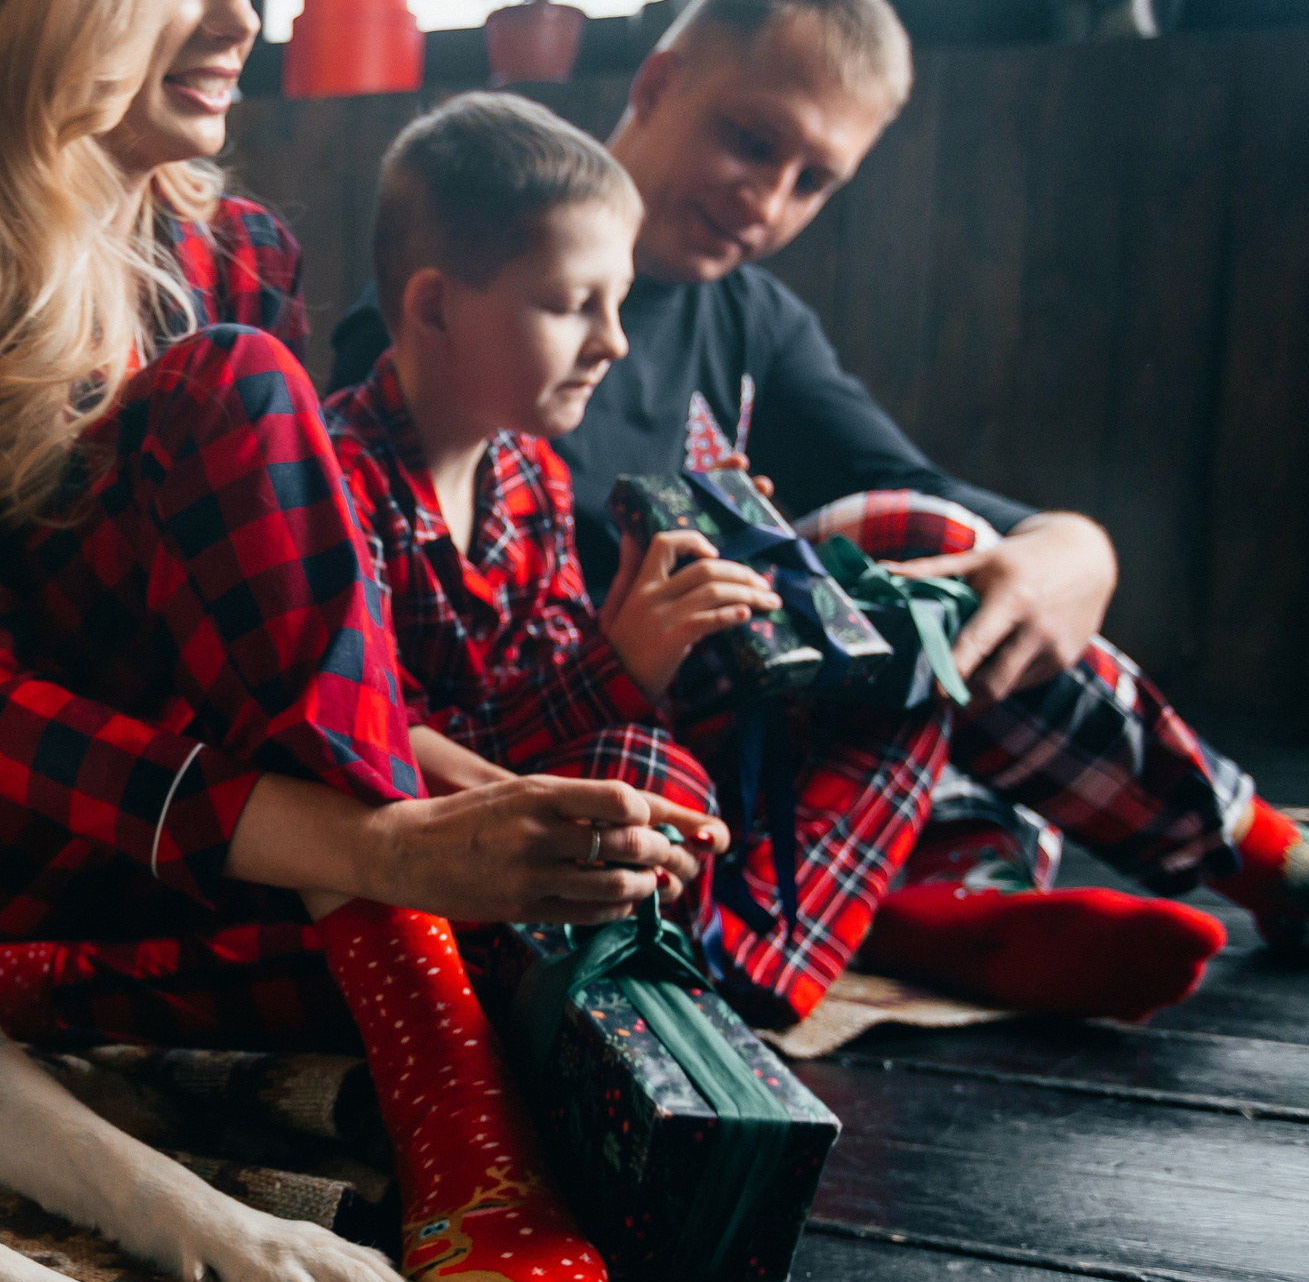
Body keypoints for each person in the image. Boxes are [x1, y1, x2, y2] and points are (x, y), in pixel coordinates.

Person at [0, 0, 718, 1282]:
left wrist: (492, 801)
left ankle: (28, 1004)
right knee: (236, 387)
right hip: (54, 834)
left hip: (254, 850)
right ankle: (453, 1095)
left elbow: (305, 657)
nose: (242, 19)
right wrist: (381, 847)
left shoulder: (240, 245)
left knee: (621, 818)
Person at [329, 0, 1302, 1012]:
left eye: (815, 180)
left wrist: (1073, 544)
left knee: (930, 608)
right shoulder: (453, 329)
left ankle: (929, 903)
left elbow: (913, 490)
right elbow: (389, 673)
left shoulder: (751, 314)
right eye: (751, 140)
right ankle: (1229, 854)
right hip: (584, 743)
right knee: (887, 574)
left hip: (733, 739)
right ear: (655, 85)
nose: (769, 198)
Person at [329, 90, 956, 1029]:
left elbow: (542, 696)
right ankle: (735, 953)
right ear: (434, 306)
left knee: (904, 680)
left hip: (545, 788)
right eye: (573, 304)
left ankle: (732, 951)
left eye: (617, 303)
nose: (613, 342)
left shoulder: (529, 473)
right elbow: (377, 745)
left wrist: (655, 621)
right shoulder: (334, 480)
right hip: (431, 840)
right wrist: (621, 672)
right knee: (638, 770)